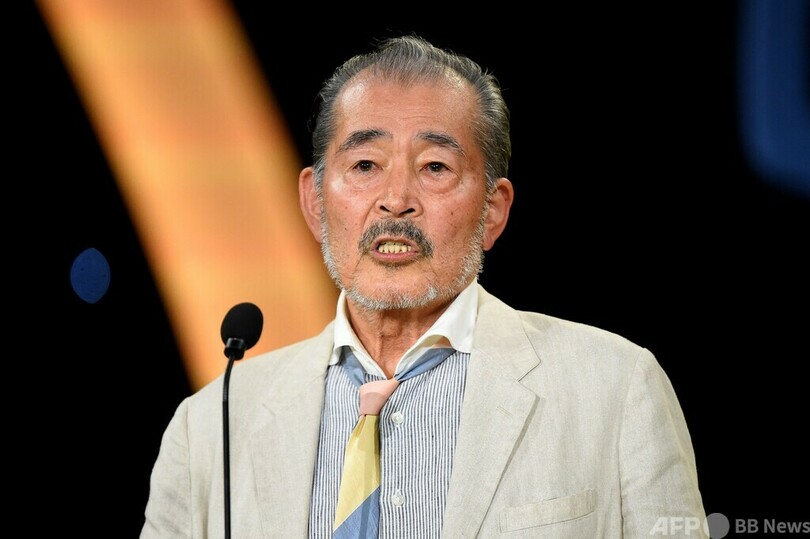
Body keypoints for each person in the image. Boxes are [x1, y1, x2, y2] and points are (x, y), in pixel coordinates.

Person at [140, 34, 707, 538]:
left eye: (435, 167)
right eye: (365, 165)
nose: (395, 200)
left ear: (493, 210)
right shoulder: (210, 426)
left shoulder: (615, 390)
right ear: (314, 203)